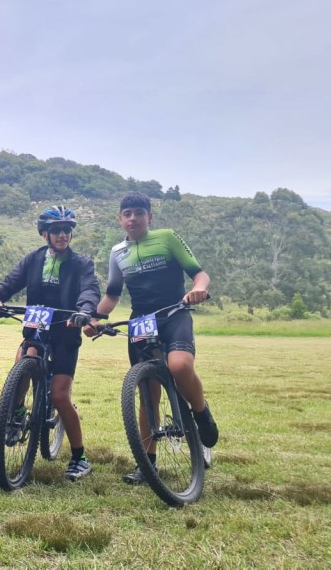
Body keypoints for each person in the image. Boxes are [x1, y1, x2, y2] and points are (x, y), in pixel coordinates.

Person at [85, 192, 218, 485]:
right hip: (141, 321)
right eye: (127, 213)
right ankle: (148, 462)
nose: (133, 218)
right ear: (120, 219)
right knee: (148, 393)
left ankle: (201, 413)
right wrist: (95, 318)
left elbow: (200, 274)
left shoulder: (167, 237)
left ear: (149, 217)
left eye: (139, 213)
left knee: (180, 366)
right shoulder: (117, 252)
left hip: (174, 312)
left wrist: (198, 289)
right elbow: (112, 295)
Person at [0, 206, 101, 482]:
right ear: (44, 234)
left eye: (67, 230)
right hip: (36, 328)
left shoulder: (82, 264)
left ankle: (79, 457)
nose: (63, 235)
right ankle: (17, 412)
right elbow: (9, 283)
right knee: (21, 368)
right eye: (57, 231)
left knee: (60, 396)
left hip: (65, 332)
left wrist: (84, 309)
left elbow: (89, 288)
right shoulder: (32, 259)